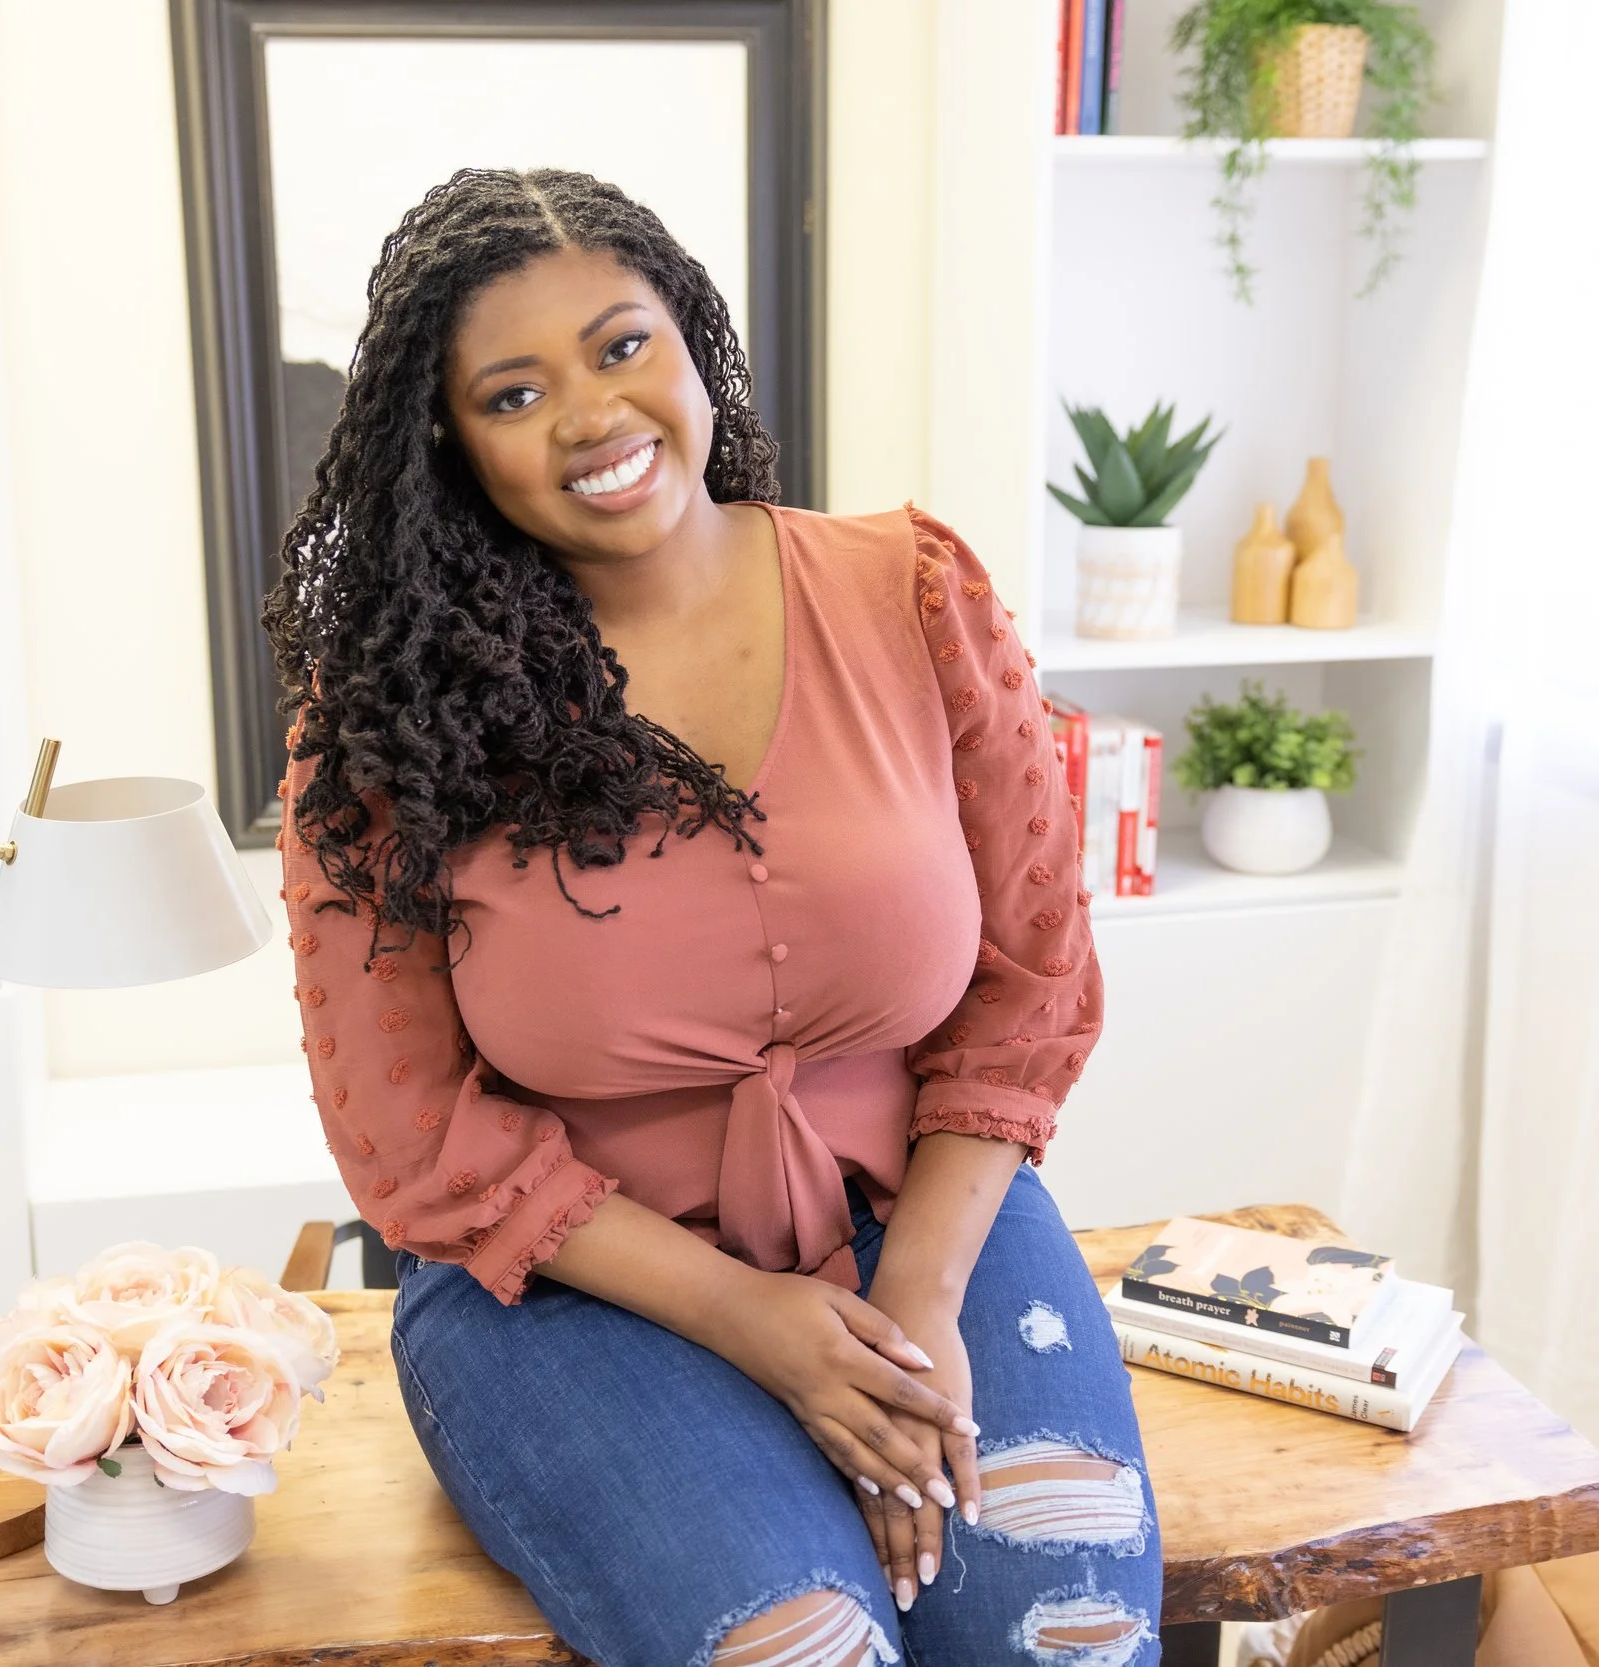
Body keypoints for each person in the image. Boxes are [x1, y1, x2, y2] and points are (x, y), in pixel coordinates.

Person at [264, 167, 1160, 1667]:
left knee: (1066, 1634)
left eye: (622, 347)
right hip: (567, 1288)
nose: (591, 415)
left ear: (692, 340)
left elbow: (1031, 978)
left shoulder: (918, 592)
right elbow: (407, 1136)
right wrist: (763, 1326)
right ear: (451, 445)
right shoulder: (382, 723)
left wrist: (916, 1303)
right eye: (513, 393)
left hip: (923, 1215)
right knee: (807, 1647)